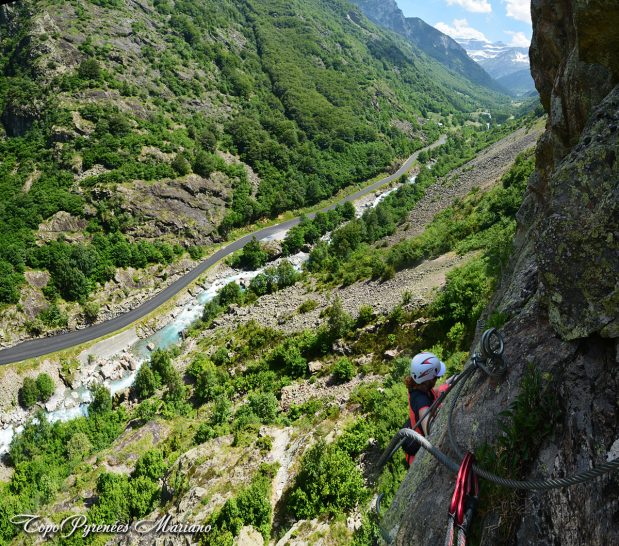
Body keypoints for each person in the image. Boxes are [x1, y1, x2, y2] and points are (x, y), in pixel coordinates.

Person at [402, 352, 452, 466]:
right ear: (428, 379)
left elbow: (433, 392)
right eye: (436, 377)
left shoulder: (418, 387)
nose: (437, 379)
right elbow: (431, 434)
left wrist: (447, 383)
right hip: (417, 447)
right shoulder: (422, 404)